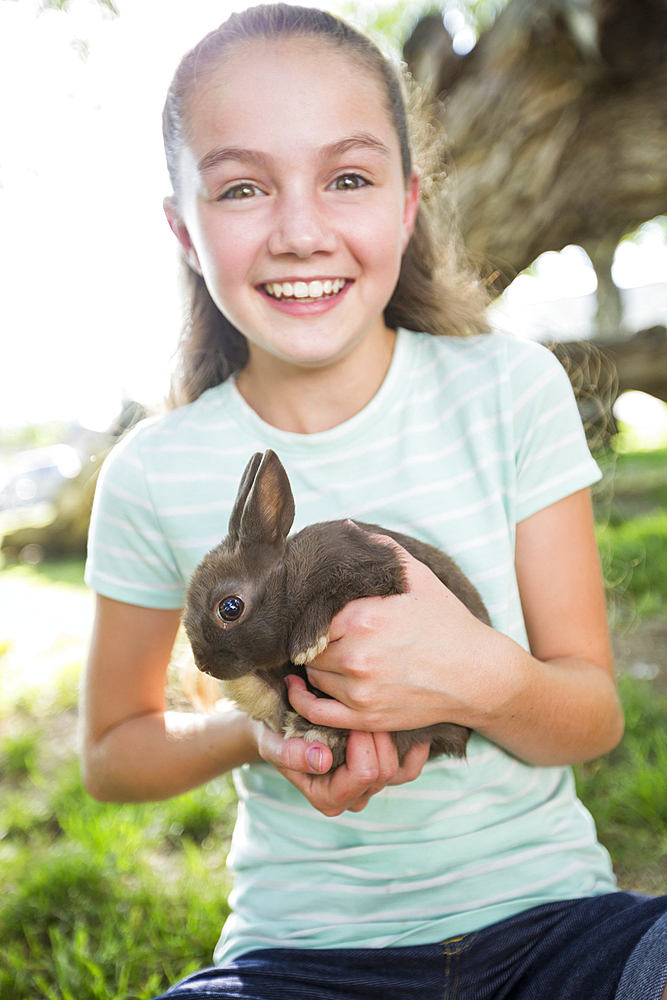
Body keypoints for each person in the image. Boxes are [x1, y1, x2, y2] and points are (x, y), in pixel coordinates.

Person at [79, 5, 667, 998]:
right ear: (183, 227)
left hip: (555, 928)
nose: (301, 229)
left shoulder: (509, 387)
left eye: (346, 178)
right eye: (241, 187)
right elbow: (109, 752)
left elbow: (591, 714)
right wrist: (258, 735)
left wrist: (480, 677)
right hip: (299, 957)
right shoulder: (149, 472)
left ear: (405, 205)